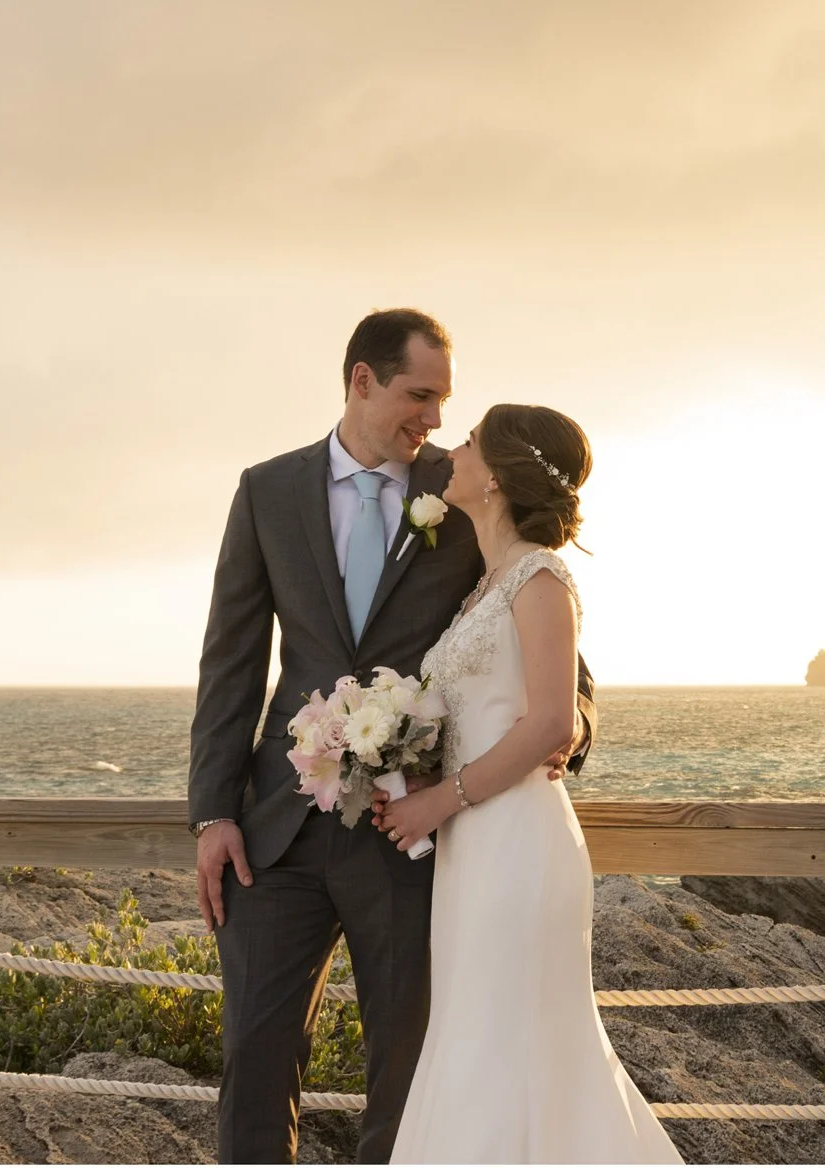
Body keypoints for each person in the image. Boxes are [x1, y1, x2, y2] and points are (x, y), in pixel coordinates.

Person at [187, 310, 595, 1163]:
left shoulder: (466, 487)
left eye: (445, 400)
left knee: (410, 1073)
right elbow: (232, 661)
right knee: (255, 1058)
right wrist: (211, 814)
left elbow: (546, 644)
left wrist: (564, 735)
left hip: (409, 841)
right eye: (420, 395)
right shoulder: (267, 491)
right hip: (278, 835)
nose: (435, 420)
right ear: (362, 380)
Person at [375, 404, 682, 1164]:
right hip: (470, 849)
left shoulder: (540, 578)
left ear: (501, 476)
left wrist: (436, 803)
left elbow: (550, 723)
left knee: (512, 1044)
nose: (455, 449)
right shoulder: (483, 588)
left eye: (473, 441)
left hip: (517, 844)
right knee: (474, 1036)